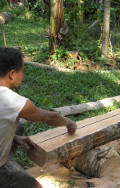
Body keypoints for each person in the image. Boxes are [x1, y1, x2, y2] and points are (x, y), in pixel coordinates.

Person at [0, 48, 77, 187]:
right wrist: (69, 123)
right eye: (22, 72)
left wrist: (15, 138)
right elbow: (49, 118)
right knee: (35, 186)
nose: (22, 76)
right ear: (12, 74)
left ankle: (7, 161)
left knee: (18, 127)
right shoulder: (10, 100)